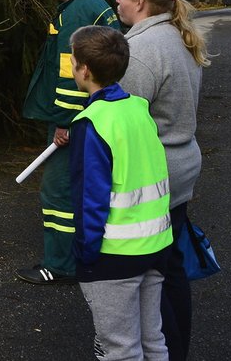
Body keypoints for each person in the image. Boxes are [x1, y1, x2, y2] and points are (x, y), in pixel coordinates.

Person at [116, 0, 210, 361]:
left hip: (154, 175)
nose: (116, 0)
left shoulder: (139, 52)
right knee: (171, 272)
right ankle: (177, 350)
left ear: (139, 1)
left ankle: (165, 352)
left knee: (151, 281)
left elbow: (123, 123)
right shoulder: (176, 36)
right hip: (181, 163)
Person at [68, 25, 173, 361]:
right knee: (152, 340)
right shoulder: (139, 109)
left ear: (84, 70)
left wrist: (85, 255)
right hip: (156, 246)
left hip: (114, 255)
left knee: (120, 349)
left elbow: (90, 199)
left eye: (73, 61)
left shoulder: (91, 123)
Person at [18, 0, 122, 285]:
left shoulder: (76, 16)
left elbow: (70, 75)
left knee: (57, 191)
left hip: (75, 120)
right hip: (93, 114)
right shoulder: (94, 5)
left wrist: (63, 122)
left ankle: (60, 264)